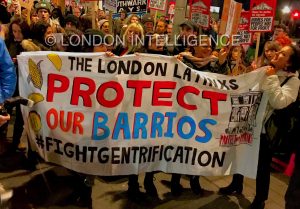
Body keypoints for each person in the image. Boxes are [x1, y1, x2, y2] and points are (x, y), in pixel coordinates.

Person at [219, 45, 300, 209]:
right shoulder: (266, 70)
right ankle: (236, 183)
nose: (276, 54)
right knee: (239, 154)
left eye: (282, 53)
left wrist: (271, 78)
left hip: (265, 131)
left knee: (262, 166)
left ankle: (260, 199)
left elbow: (279, 103)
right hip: (248, 124)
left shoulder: (293, 80)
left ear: (289, 62)